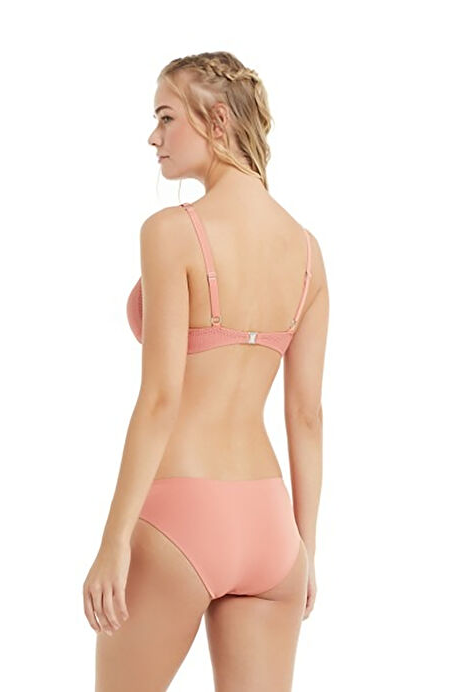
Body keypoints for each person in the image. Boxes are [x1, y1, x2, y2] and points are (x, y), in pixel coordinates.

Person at [83, 51, 329, 692]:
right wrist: (304, 547)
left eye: (166, 117)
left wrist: (113, 541)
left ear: (217, 121)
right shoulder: (307, 252)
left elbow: (160, 399)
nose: (153, 136)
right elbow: (306, 414)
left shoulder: (172, 232)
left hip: (182, 515)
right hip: (271, 527)